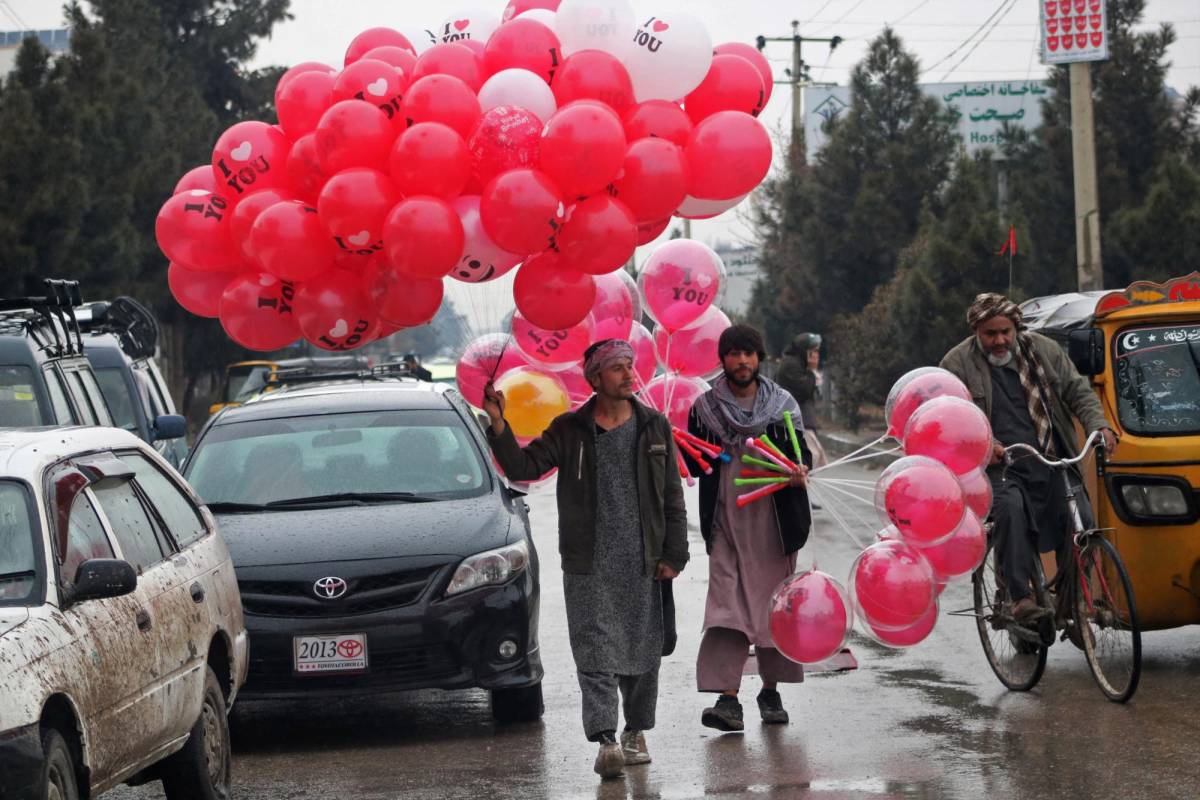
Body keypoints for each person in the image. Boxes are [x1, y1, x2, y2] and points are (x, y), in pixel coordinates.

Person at [481, 339, 689, 780]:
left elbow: (672, 493)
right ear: (595, 378)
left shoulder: (654, 426)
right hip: (588, 562)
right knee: (594, 649)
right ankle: (606, 739)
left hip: (643, 560)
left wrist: (674, 554)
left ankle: (635, 731)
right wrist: (499, 424)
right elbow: (523, 466)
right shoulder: (570, 429)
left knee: (641, 651)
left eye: (630, 366)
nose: (629, 375)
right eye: (617, 368)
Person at [940, 293, 1117, 619]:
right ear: (977, 332)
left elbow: (1078, 392)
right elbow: (948, 420)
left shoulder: (1044, 351)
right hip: (998, 469)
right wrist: (983, 445)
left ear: (1016, 328)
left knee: (1082, 523)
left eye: (1005, 332)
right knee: (1011, 514)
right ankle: (1019, 596)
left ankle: (1074, 604)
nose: (999, 340)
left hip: (1051, 458)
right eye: (990, 333)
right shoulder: (957, 365)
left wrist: (1100, 427)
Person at [685, 325, 812, 732]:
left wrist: (799, 472)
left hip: (774, 525)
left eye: (749, 354)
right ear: (722, 359)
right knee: (727, 608)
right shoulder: (704, 408)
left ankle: (770, 690)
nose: (742, 362)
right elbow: (693, 464)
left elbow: (801, 455)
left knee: (772, 606)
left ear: (760, 359)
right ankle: (728, 698)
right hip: (726, 523)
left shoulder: (783, 405)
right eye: (734, 354)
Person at [775, 332, 829, 473]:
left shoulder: (796, 364)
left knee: (813, 460)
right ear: (805, 350)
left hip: (801, 422)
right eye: (813, 351)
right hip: (797, 424)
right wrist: (811, 371)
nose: (816, 355)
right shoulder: (791, 366)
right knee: (811, 460)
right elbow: (804, 390)